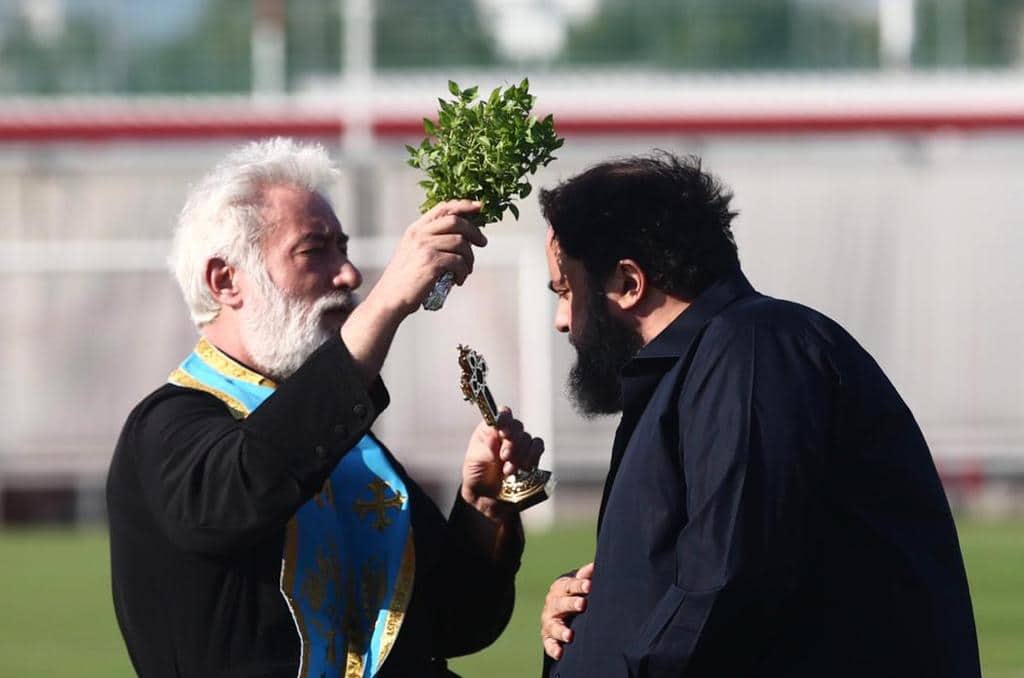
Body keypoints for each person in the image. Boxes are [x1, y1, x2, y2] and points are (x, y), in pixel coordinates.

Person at [106, 137, 543, 678]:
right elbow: (249, 483)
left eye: (343, 248)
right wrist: (388, 301)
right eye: (314, 251)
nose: (349, 275)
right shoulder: (167, 426)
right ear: (226, 280)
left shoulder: (346, 443)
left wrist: (484, 508)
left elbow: (455, 624)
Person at [536, 153, 981, 677]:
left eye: (567, 291)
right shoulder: (693, 369)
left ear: (629, 282)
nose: (561, 320)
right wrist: (591, 603)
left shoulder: (751, 350)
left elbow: (729, 584)